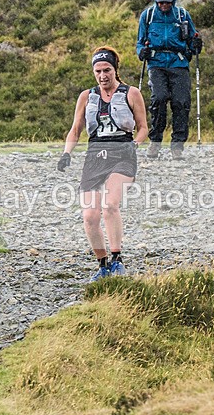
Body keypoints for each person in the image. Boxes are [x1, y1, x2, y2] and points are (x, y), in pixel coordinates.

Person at [57, 46, 149, 281]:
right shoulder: (86, 96)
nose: (102, 75)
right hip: (95, 155)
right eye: (97, 71)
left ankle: (117, 259)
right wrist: (66, 153)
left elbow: (143, 128)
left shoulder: (132, 93)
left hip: (123, 154)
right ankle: (103, 264)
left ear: (115, 69)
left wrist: (135, 144)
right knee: (89, 216)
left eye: (107, 70)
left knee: (109, 205)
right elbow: (75, 130)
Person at [136, 0, 202, 160]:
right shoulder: (148, 16)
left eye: (167, 2)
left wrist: (197, 44)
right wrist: (142, 52)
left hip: (179, 63)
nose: (163, 5)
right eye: (160, 1)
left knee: (181, 102)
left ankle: (177, 146)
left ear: (173, 0)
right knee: (159, 99)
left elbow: (192, 41)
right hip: (156, 64)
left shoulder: (182, 15)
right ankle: (155, 142)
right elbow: (140, 42)